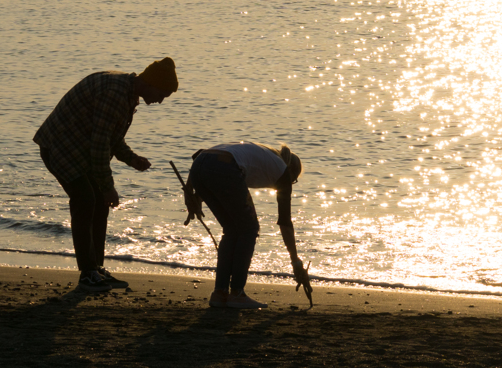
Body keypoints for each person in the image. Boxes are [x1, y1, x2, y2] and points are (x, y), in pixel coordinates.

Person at [34, 57, 178, 293]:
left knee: (99, 202)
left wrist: (131, 158)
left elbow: (111, 136)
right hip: (60, 146)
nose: (161, 101)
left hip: (81, 148)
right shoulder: (115, 93)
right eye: (163, 94)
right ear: (151, 83)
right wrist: (108, 186)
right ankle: (88, 273)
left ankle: (96, 268)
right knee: (85, 200)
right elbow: (100, 145)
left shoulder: (128, 92)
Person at [182, 141, 310, 309]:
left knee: (231, 229)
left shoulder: (263, 155)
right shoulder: (283, 171)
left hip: (201, 165)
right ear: (291, 172)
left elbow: (202, 155)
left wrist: (190, 192)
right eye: (293, 181)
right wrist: (295, 261)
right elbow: (285, 222)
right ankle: (236, 293)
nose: (289, 184)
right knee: (249, 229)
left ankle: (219, 293)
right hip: (224, 168)